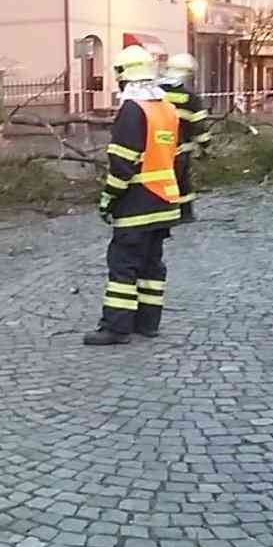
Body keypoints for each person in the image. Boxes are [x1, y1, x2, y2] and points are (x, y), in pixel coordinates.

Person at [85, 46, 183, 346]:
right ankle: (148, 322)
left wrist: (108, 198)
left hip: (137, 202)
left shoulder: (132, 109)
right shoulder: (166, 107)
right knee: (152, 264)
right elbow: (174, 155)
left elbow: (123, 163)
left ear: (122, 75)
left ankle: (116, 326)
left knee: (123, 263)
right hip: (164, 199)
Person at [157, 53, 211, 223]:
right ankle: (184, 215)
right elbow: (200, 128)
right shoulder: (191, 98)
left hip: (155, 148)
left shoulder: (154, 93)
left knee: (157, 182)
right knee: (182, 183)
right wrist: (205, 148)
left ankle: (161, 214)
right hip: (180, 149)